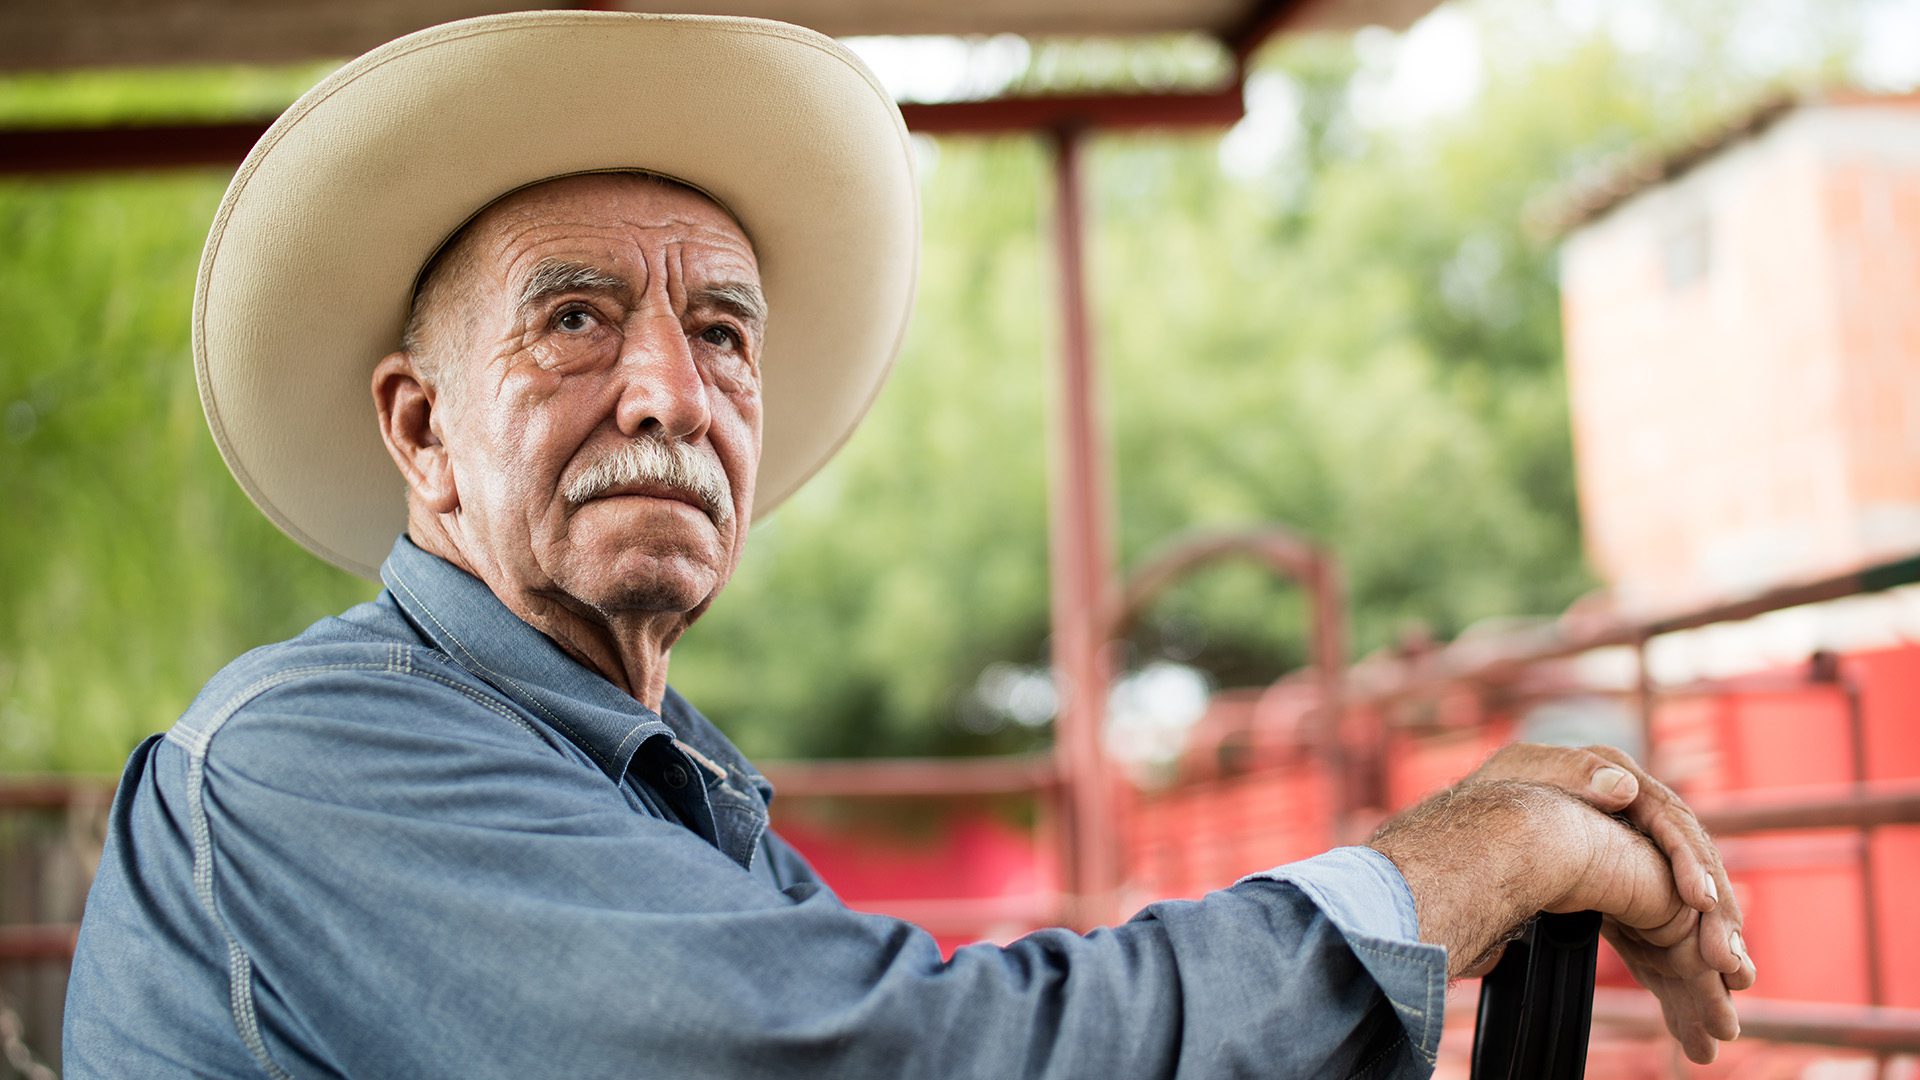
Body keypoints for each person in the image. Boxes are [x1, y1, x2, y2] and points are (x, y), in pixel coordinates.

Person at [62, 12, 1753, 1078]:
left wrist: (1503, 845)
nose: (669, 386)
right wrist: (1472, 863)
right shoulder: (315, 756)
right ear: (422, 431)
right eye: (573, 319)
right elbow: (905, 1060)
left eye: (723, 332)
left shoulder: (664, 784)